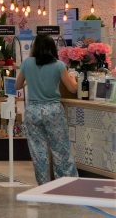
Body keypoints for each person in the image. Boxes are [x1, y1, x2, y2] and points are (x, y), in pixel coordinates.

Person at [16, 34, 78, 185]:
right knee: (60, 149)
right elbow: (72, 88)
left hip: (33, 111)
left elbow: (17, 85)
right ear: (53, 48)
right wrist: (74, 78)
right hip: (53, 110)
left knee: (38, 151)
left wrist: (29, 81)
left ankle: (43, 186)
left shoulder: (27, 63)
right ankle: (65, 184)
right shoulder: (59, 65)